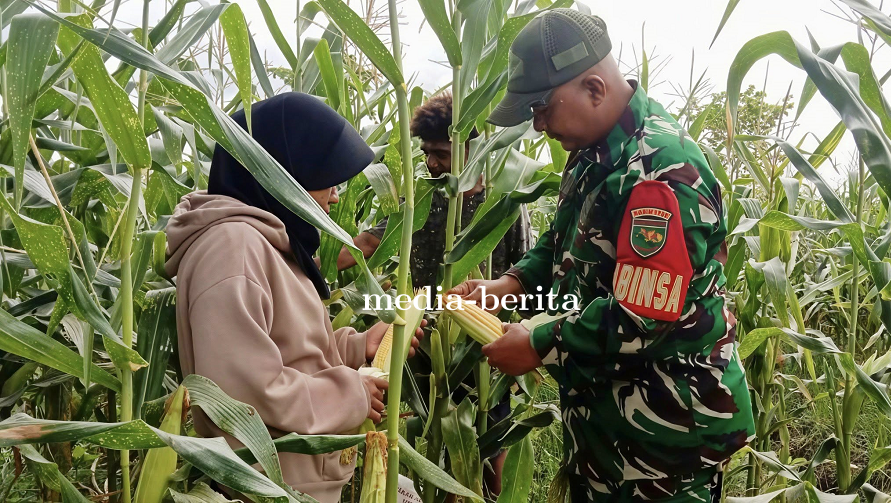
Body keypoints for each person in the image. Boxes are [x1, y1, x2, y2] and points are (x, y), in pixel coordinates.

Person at [448, 9, 754, 502]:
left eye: (542, 108)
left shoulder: (659, 172)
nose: (539, 125)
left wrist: (539, 343)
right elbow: (566, 238)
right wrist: (512, 285)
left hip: (663, 437)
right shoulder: (593, 153)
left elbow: (642, 315)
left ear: (594, 88)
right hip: (610, 425)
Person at [164, 93, 423, 502]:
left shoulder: (267, 242)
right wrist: (350, 393)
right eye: (327, 177)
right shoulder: (234, 248)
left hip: (294, 482)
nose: (335, 196)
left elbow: (280, 348)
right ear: (283, 168)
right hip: (266, 487)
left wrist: (356, 347)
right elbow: (243, 393)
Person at [327, 92, 532, 290]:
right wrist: (307, 268)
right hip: (424, 318)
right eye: (427, 153)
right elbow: (369, 243)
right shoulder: (421, 198)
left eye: (441, 154)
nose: (431, 163)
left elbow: (526, 270)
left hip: (485, 319)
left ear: (472, 149)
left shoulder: (501, 201)